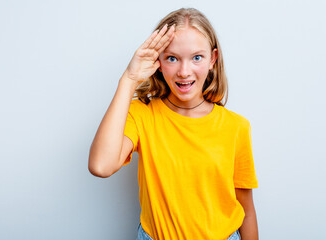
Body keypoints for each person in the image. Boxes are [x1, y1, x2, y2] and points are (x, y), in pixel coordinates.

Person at [89, 8, 259, 240]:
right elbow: (100, 166)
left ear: (213, 59)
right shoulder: (142, 115)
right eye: (172, 58)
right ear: (158, 61)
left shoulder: (236, 126)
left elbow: (246, 209)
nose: (184, 71)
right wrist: (128, 80)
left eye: (196, 57)